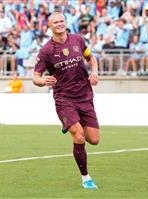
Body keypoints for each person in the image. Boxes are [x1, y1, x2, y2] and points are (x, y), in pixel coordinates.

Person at [32, 12, 99, 189]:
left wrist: (94, 72)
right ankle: (86, 178)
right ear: (50, 26)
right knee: (78, 136)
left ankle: (71, 122)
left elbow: (90, 57)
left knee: (94, 139)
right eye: (56, 22)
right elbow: (35, 77)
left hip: (85, 96)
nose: (60, 24)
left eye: (62, 21)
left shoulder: (78, 40)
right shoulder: (46, 50)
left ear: (66, 22)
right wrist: (42, 81)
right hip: (64, 98)